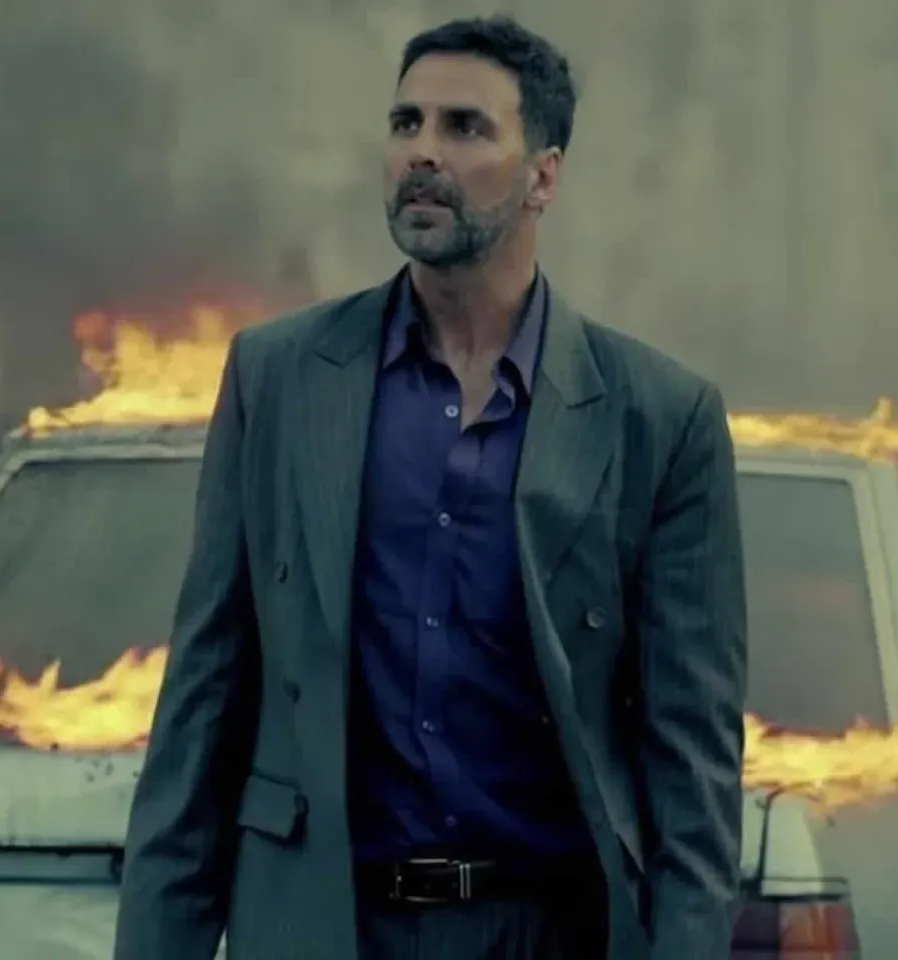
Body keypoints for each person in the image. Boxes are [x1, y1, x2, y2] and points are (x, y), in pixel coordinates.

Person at [114, 15, 747, 960]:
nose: (422, 153)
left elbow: (692, 763)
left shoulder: (660, 417)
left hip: (546, 930)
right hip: (324, 925)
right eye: (405, 122)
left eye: (465, 128)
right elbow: (202, 707)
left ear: (543, 176)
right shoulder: (281, 379)